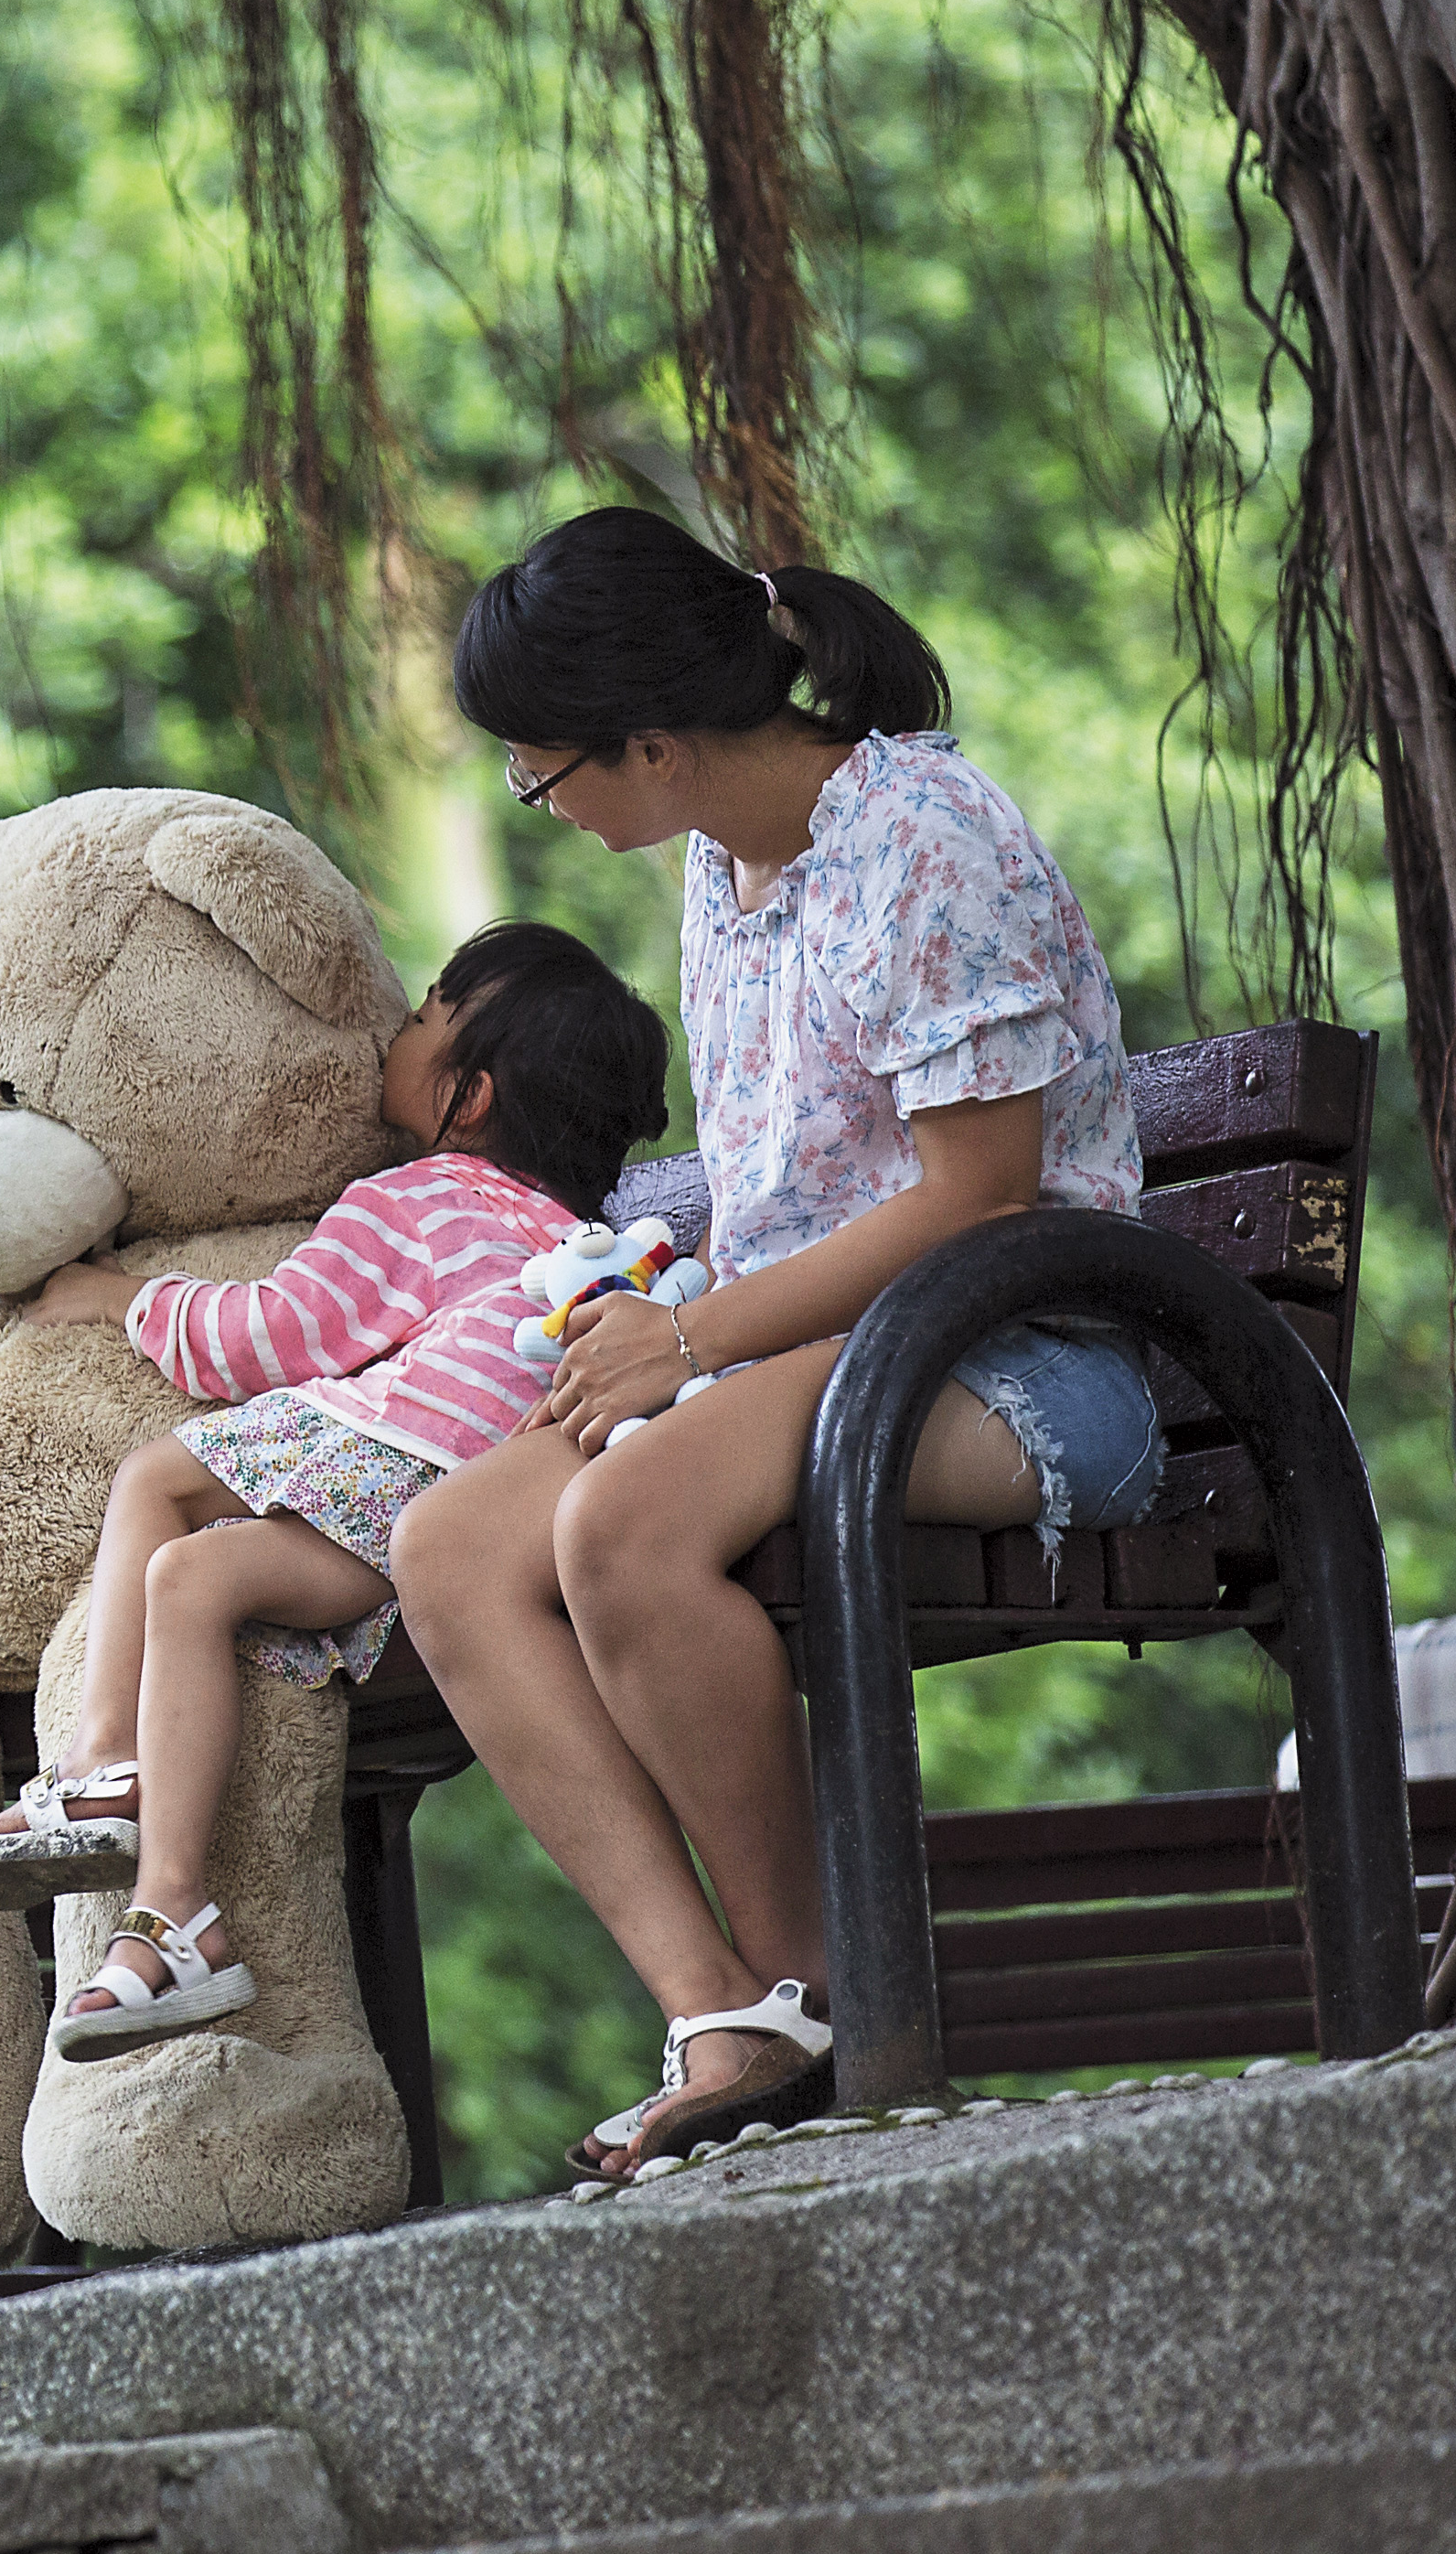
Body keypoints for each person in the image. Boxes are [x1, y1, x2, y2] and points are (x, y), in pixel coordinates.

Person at [392, 510, 1163, 2177]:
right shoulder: (718, 863)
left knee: (628, 1520)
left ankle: (842, 1993)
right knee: (451, 1542)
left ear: (652, 745)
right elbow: (792, 1191)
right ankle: (729, 2010)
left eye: (544, 775)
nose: (548, 810)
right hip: (814, 1360)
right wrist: (646, 1306)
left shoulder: (920, 834)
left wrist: (693, 1345)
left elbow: (980, 1192)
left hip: (1021, 1350)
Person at [0, 923, 669, 2057]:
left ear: (469, 1097)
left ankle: (98, 1768)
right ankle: (170, 1917)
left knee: (160, 1474)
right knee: (191, 1575)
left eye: (425, 1015)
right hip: (473, 1508)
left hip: (406, 1472)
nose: (398, 1028)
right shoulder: (582, 1236)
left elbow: (269, 1337)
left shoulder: (423, 1196)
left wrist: (118, 1298)